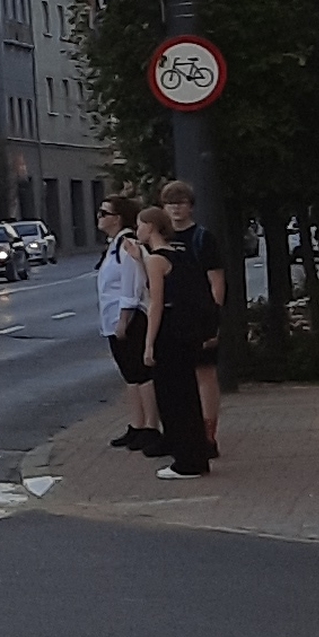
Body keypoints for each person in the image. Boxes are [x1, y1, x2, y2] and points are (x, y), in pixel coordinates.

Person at [141, 198, 218, 476]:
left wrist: (149, 343)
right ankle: (195, 454)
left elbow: (156, 303)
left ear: (150, 228)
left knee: (173, 397)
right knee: (187, 395)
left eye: (139, 225)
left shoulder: (155, 260)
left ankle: (187, 461)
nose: (136, 231)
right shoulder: (178, 254)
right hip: (185, 331)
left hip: (168, 332)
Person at [158, 177, 225, 464]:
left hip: (199, 317)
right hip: (174, 321)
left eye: (180, 203)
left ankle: (208, 434)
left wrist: (213, 319)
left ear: (190, 207)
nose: (175, 209)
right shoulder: (164, 240)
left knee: (205, 373)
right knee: (180, 379)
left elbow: (216, 282)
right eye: (169, 203)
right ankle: (182, 433)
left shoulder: (201, 238)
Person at [95, 196, 154, 448]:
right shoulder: (114, 245)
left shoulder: (127, 245)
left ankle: (151, 426)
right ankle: (137, 425)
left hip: (129, 319)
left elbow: (132, 284)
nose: (99, 217)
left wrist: (123, 319)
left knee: (141, 374)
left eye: (103, 212)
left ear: (117, 218)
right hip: (113, 318)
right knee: (130, 375)